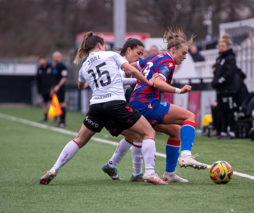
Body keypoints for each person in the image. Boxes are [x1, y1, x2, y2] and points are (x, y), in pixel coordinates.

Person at [39, 31, 167, 186]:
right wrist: (148, 82)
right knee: (149, 132)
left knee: (79, 140)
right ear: (100, 45)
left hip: (96, 107)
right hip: (115, 104)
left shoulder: (84, 65)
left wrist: (89, 82)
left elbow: (81, 85)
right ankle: (150, 173)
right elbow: (132, 71)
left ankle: (54, 169)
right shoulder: (111, 55)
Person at [103, 27, 207, 184]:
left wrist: (125, 76)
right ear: (173, 49)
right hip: (147, 103)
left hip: (136, 103)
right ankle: (185, 155)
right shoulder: (168, 62)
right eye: (183, 53)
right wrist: (180, 90)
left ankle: (169, 174)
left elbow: (133, 66)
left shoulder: (156, 58)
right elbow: (158, 83)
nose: (185, 57)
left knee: (175, 132)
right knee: (189, 116)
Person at [101, 38, 146, 182]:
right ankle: (137, 174)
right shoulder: (117, 63)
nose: (140, 57)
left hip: (109, 108)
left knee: (133, 136)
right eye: (138, 53)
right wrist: (143, 80)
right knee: (139, 136)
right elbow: (117, 79)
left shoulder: (124, 66)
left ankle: (111, 165)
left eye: (142, 54)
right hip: (108, 108)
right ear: (128, 50)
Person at [211, 33, 237, 139]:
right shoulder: (219, 59)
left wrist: (218, 82)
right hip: (220, 90)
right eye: (220, 46)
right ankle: (223, 131)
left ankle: (233, 131)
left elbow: (229, 74)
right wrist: (215, 82)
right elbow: (217, 73)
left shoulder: (230, 58)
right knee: (221, 110)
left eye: (223, 46)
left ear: (228, 47)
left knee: (229, 111)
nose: (221, 48)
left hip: (228, 90)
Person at [51, 51, 68, 127]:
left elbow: (64, 78)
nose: (54, 58)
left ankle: (63, 122)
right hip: (55, 88)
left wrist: (58, 86)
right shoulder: (55, 66)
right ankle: (60, 121)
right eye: (53, 57)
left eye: (55, 57)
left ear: (59, 57)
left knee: (62, 103)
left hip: (60, 88)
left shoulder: (62, 66)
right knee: (57, 104)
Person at [36, 56, 53, 122]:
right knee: (45, 103)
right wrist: (39, 91)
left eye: (41, 60)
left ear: (45, 60)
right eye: (39, 61)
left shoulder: (50, 67)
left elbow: (53, 78)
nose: (40, 62)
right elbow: (38, 81)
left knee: (53, 103)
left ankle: (55, 117)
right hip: (43, 90)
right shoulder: (39, 69)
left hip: (50, 89)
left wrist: (52, 88)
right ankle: (45, 118)